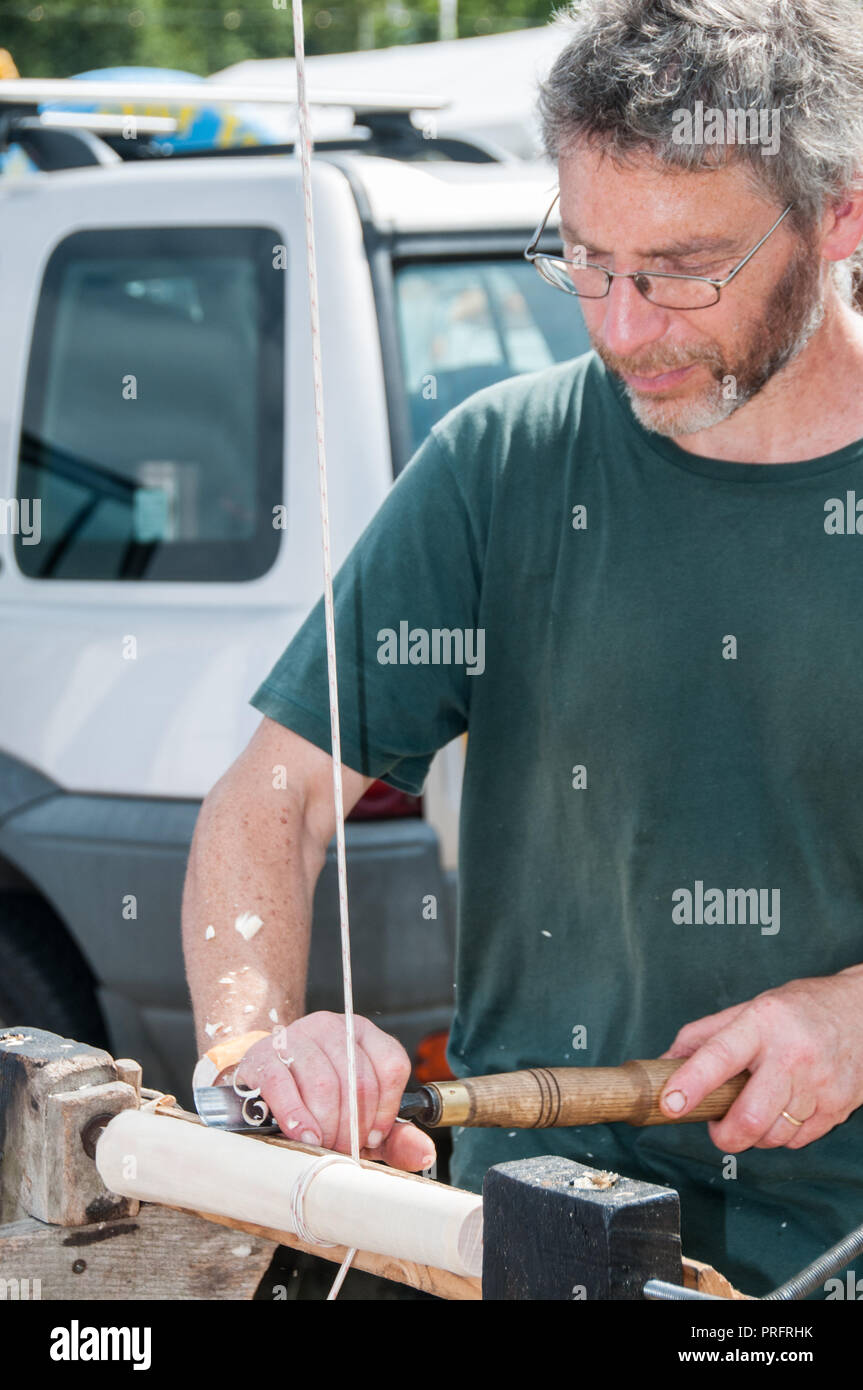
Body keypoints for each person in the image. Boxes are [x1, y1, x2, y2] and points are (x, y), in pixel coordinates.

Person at [182, 0, 863, 1295]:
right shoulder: (504, 463)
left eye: (680, 271)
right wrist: (252, 1051)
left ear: (841, 216)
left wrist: (853, 1019)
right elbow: (268, 796)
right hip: (516, 1248)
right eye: (588, 260)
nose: (617, 327)